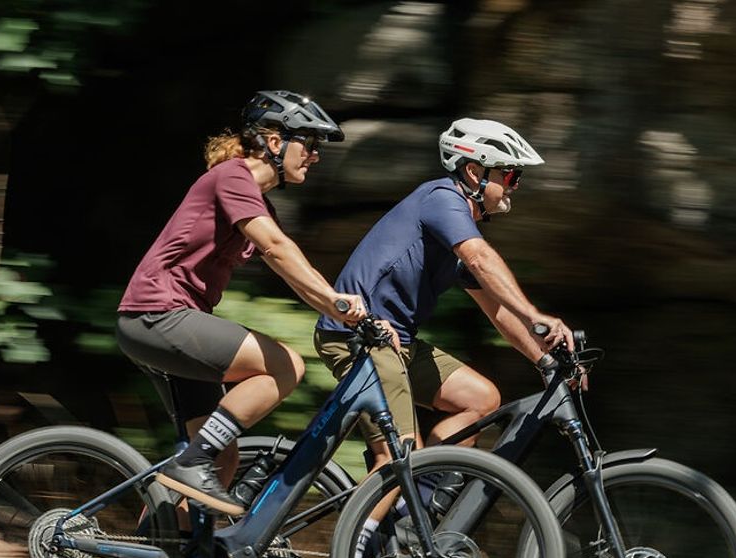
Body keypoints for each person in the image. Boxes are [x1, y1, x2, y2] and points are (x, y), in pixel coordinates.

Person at [116, 90, 366, 517]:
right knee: (286, 365)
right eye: (310, 143)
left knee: (224, 459)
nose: (315, 156)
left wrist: (337, 311)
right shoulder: (233, 177)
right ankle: (191, 463)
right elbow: (275, 247)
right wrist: (334, 300)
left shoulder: (255, 198)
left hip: (170, 321)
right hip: (157, 313)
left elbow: (289, 271)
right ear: (274, 142)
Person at [314, 117, 575, 524]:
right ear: (474, 170)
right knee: (400, 453)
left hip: (397, 343)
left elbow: (498, 311)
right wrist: (538, 315)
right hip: (357, 335)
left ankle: (408, 517)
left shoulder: (457, 228)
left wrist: (545, 361)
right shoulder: (441, 198)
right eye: (509, 174)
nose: (513, 185)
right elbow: (482, 259)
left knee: (481, 399)